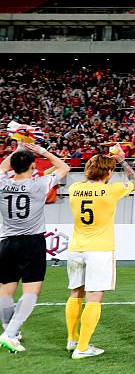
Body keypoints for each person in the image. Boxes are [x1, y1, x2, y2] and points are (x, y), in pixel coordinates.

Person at [65, 145, 135, 359]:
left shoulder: (74, 188)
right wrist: (123, 161)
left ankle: (72, 339)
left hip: (76, 248)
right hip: (100, 250)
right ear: (108, 173)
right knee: (94, 298)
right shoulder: (112, 189)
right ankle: (82, 347)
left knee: (75, 293)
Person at [0, 143, 70, 353]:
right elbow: (64, 167)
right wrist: (42, 151)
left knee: (5, 291)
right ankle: (10, 334)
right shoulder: (39, 184)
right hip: (31, 242)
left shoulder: (2, 183)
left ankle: (9, 330)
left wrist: (18, 148)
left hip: (6, 242)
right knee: (31, 290)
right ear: (33, 165)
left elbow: (4, 167)